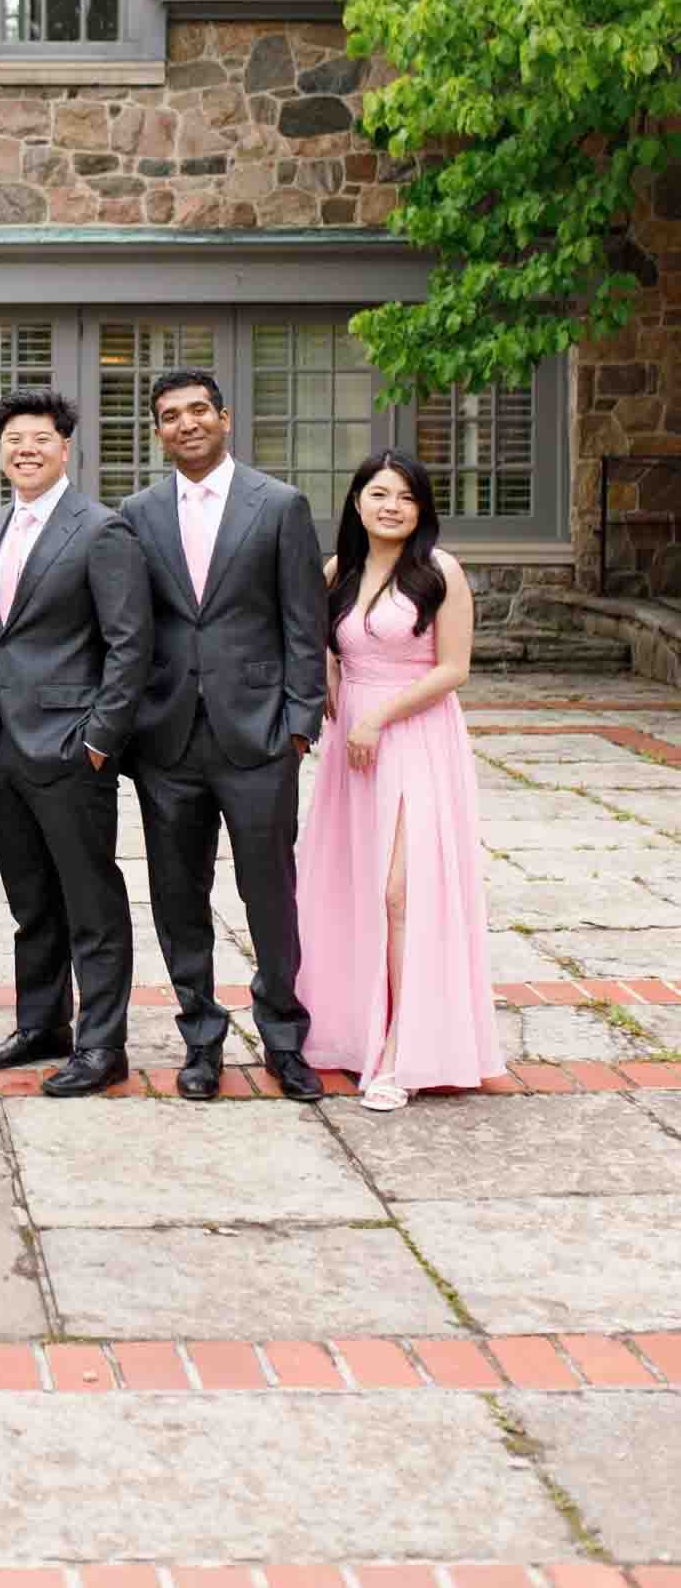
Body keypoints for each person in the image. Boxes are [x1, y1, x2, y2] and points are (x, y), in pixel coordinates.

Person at [120, 368, 327, 1101]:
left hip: (259, 738)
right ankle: (200, 1039)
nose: (187, 423)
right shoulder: (137, 513)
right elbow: (129, 624)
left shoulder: (279, 505)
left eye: (199, 410)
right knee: (178, 896)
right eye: (171, 415)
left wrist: (299, 725)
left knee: (270, 893)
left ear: (225, 417)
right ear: (158, 431)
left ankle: (284, 1038)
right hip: (167, 740)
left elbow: (305, 622)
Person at [296, 449, 503, 1109]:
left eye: (406, 497)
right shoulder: (338, 571)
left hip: (415, 736)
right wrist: (332, 676)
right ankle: (354, 1032)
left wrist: (378, 718)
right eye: (379, 494)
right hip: (352, 748)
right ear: (357, 501)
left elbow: (454, 669)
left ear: (422, 509)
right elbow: (323, 640)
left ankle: (400, 1051)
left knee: (399, 892)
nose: (391, 507)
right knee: (351, 887)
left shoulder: (440, 572)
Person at [0, 388, 151, 1097]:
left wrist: (100, 739)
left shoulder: (101, 530)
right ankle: (42, 1024)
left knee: (90, 901)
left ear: (65, 447)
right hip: (0, 747)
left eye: (40, 438)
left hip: (73, 747)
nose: (26, 449)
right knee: (31, 899)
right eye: (14, 438)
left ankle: (103, 1044)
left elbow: (130, 644)